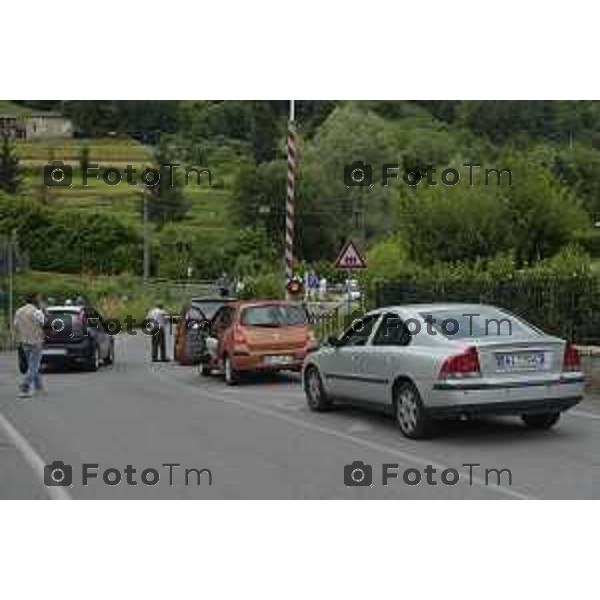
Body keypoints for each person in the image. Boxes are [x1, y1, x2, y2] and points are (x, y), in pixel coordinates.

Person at [13, 292, 46, 398]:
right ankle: (24, 387)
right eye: (39, 298)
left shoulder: (19, 311)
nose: (40, 300)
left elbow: (15, 325)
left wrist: (18, 338)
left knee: (32, 365)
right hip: (36, 341)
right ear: (34, 300)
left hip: (23, 342)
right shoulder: (36, 312)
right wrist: (42, 310)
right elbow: (43, 323)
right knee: (33, 367)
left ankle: (39, 387)